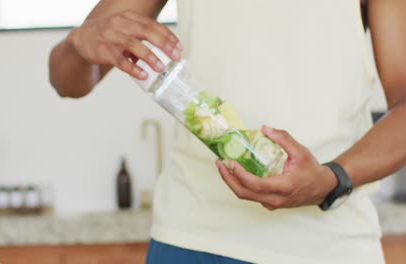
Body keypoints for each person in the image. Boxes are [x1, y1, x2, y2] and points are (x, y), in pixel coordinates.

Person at [49, 0, 406, 263]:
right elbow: (68, 79)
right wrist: (79, 44)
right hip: (192, 241)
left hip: (330, 247)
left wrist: (331, 179)